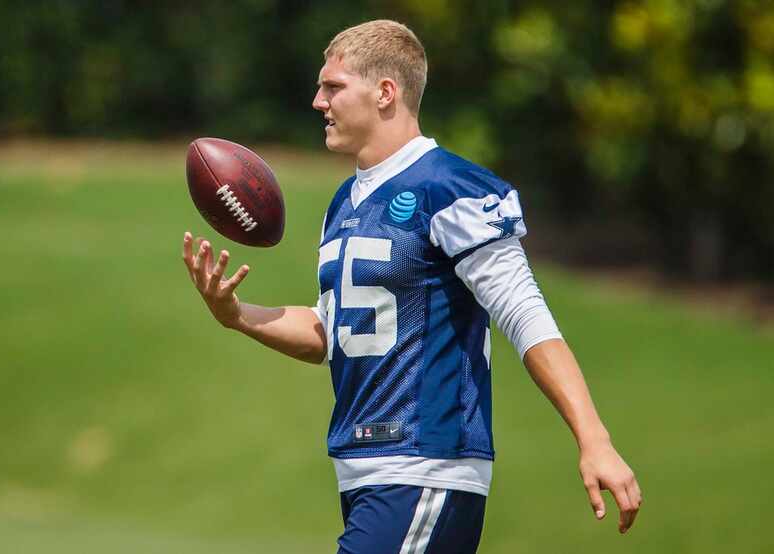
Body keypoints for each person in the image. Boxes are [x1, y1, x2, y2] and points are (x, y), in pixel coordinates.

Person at [182, 19, 642, 554]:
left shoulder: (451, 188)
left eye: (332, 87)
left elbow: (527, 317)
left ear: (385, 93)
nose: (316, 102)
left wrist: (594, 438)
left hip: (424, 465)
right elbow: (331, 332)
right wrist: (236, 315)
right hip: (364, 475)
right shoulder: (343, 205)